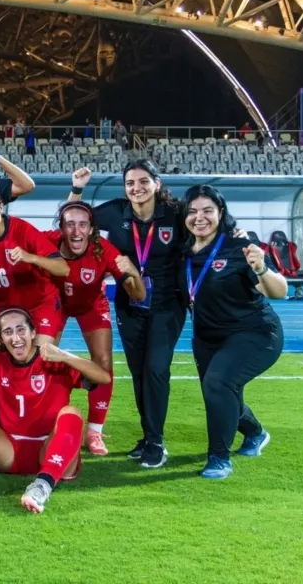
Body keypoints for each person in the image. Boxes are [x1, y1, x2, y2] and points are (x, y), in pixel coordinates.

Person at [0, 308, 111, 513]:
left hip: (50, 450)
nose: (15, 338)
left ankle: (42, 486)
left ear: (33, 332)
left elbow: (104, 378)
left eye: (20, 330)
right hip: (7, 451)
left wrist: (64, 356)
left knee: (72, 412)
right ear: (1, 338)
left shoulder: (54, 360)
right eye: (8, 332)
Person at [69, 161, 184, 468]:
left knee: (156, 369)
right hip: (129, 303)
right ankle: (148, 436)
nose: (137, 188)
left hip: (167, 304)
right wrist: (77, 188)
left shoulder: (175, 213)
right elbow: (72, 217)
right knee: (139, 372)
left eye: (144, 181)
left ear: (157, 183)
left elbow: (206, 224)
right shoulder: (116, 211)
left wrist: (234, 232)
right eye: (130, 183)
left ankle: (156, 442)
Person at [181, 185, 285, 479]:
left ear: (221, 213)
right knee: (220, 395)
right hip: (207, 338)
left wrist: (261, 268)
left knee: (218, 384)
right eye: (192, 211)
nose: (199, 217)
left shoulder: (240, 246)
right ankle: (255, 432)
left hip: (254, 332)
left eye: (207, 211)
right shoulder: (181, 251)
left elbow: (278, 291)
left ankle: (219, 457)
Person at [45, 201, 146, 456]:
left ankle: (94, 432)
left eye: (83, 225)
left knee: (103, 363)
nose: (76, 231)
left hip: (91, 304)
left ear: (91, 229)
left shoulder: (103, 250)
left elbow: (139, 295)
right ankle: (45, 421)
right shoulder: (47, 241)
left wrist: (133, 272)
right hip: (54, 303)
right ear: (61, 228)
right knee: (43, 358)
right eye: (70, 224)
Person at [0, 186, 69, 352]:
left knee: (39, 357)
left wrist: (31, 257)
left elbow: (63, 269)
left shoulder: (23, 230)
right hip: (6, 309)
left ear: (0, 207)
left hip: (39, 304)